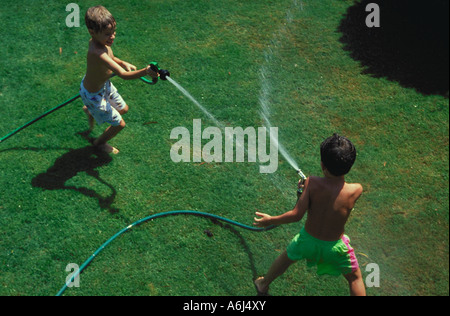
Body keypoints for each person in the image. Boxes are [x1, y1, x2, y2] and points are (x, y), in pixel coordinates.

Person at [253, 133, 366, 296]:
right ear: (350, 165)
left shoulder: (312, 183)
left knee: (286, 259)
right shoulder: (356, 190)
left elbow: (297, 215)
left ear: (322, 165)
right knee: (355, 279)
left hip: (307, 241)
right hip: (335, 247)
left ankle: (263, 284)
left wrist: (270, 219)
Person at [80, 5, 158, 154]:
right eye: (107, 34)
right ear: (92, 32)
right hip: (94, 96)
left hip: (104, 86)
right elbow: (123, 75)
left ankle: (90, 111)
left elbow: (112, 58)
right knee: (119, 125)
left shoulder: (99, 42)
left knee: (124, 109)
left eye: (113, 32)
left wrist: (122, 62)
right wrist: (145, 71)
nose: (113, 36)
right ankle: (98, 143)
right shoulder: (97, 52)